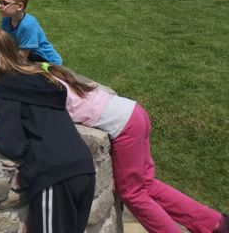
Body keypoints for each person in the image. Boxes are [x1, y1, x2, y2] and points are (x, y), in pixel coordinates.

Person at [38, 64, 228, 233]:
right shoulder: (46, 69)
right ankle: (215, 223)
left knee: (133, 194)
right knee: (147, 184)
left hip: (125, 126)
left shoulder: (37, 85)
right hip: (133, 111)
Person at [0, 30, 94, 233]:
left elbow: (13, 145)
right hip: (83, 167)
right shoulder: (41, 79)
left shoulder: (3, 91)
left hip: (55, 177)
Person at [0, 0, 62, 64]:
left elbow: (21, 59)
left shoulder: (28, 25)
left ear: (20, 6)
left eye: (5, 3)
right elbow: (5, 43)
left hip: (47, 63)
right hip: (29, 59)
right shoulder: (6, 19)